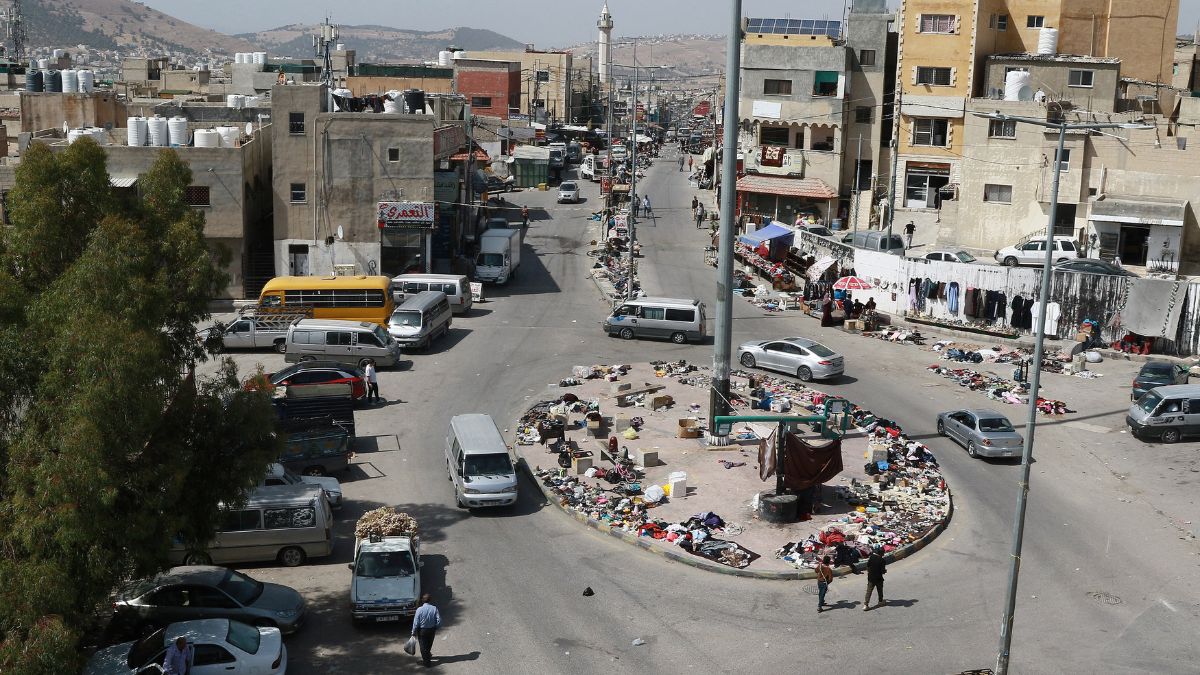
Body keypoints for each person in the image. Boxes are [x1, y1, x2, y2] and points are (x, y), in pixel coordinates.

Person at [411, 594, 443, 667]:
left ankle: (427, 662)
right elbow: (439, 620)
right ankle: (428, 655)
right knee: (429, 644)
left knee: (423, 646)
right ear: (430, 600)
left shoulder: (419, 609)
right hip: (432, 630)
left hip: (422, 630)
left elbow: (416, 622)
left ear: (422, 600)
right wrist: (436, 627)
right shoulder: (434, 608)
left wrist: (413, 632)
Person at [864, 546, 887, 610]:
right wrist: (885, 571)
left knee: (869, 591)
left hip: (871, 577)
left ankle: (866, 605)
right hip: (878, 578)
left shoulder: (872, 557)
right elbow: (882, 571)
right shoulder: (882, 560)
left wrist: (870, 572)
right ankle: (880, 601)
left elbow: (868, 566)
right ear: (881, 553)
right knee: (880, 590)